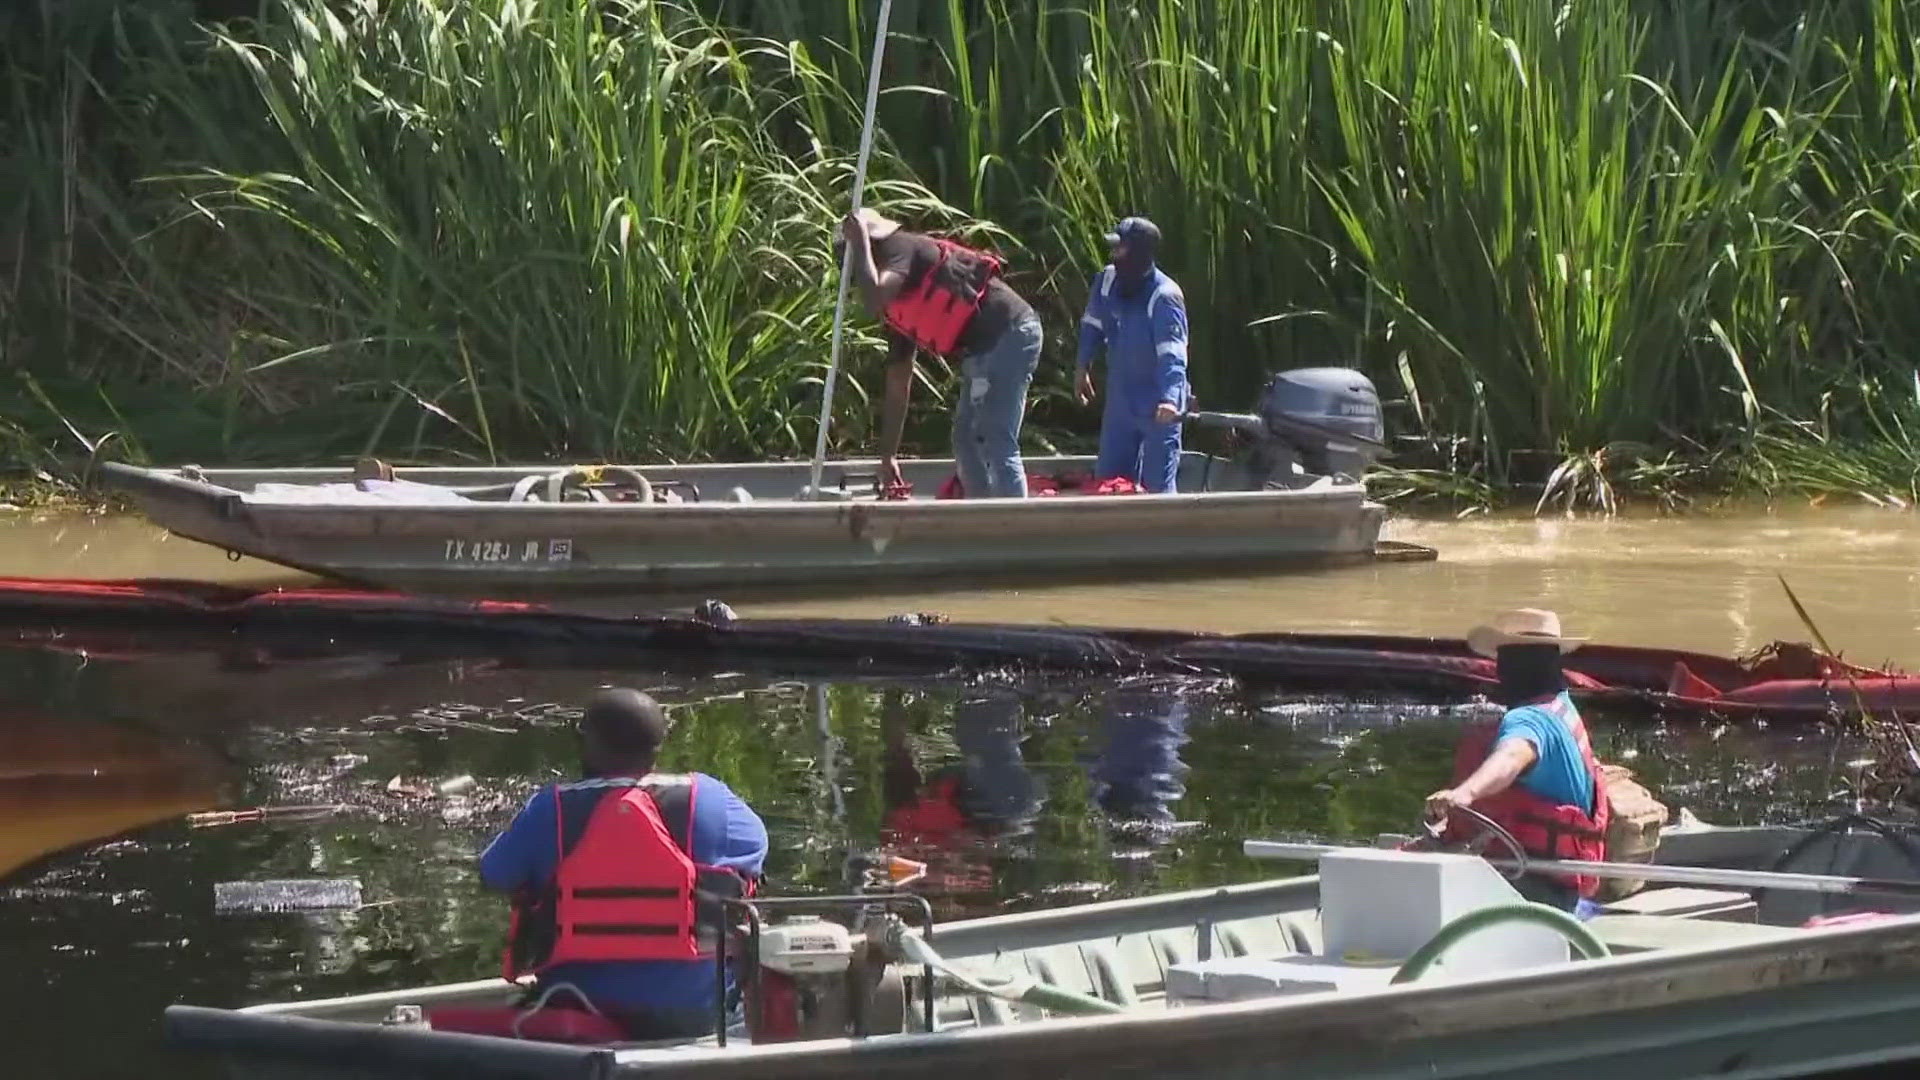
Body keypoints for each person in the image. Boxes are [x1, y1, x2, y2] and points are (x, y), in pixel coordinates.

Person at [480, 688, 768, 1039]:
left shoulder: (550, 809)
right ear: (659, 744)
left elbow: (494, 873)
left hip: (580, 1008)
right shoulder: (711, 801)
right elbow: (753, 858)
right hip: (698, 1016)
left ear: (587, 742)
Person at [838, 209, 1045, 498]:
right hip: (982, 349)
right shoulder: (898, 304)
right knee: (965, 437)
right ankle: (980, 516)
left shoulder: (900, 248)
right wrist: (888, 456)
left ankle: (1011, 525)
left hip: (1011, 332)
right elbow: (898, 383)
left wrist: (858, 238)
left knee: (994, 434)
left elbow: (873, 298)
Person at [1424, 608, 1612, 913]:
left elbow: (1511, 756)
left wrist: (1464, 793)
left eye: (1504, 661)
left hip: (1533, 892)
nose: (1499, 672)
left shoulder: (1528, 720)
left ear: (1514, 666)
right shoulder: (1561, 708)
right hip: (1560, 885)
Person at [1075, 217, 1191, 494]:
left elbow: (1172, 355)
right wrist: (1082, 365)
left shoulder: (1164, 296)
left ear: (1139, 253)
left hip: (1158, 406)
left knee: (1156, 491)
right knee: (1108, 484)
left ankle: (1163, 535)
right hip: (1121, 400)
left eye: (1120, 249)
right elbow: (1093, 324)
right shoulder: (1106, 281)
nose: (1114, 256)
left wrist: (1171, 400)